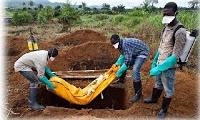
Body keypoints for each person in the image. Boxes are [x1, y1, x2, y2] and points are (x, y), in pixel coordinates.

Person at [144, 2, 187, 118]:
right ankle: (154, 99)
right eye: (164, 14)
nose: (166, 17)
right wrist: (154, 62)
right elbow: (161, 47)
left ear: (176, 13)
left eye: (168, 14)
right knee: (158, 83)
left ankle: (163, 110)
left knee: (168, 88)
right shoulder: (166, 28)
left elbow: (175, 56)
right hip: (160, 62)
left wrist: (159, 68)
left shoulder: (180, 31)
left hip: (168, 66)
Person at [110, 34, 149, 103]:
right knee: (122, 65)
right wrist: (116, 64)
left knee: (135, 70)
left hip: (142, 52)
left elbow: (127, 61)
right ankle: (121, 80)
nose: (115, 46)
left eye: (115, 44)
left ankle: (138, 94)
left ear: (118, 40)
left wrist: (119, 72)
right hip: (134, 52)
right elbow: (123, 55)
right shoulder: (119, 45)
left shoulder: (125, 45)